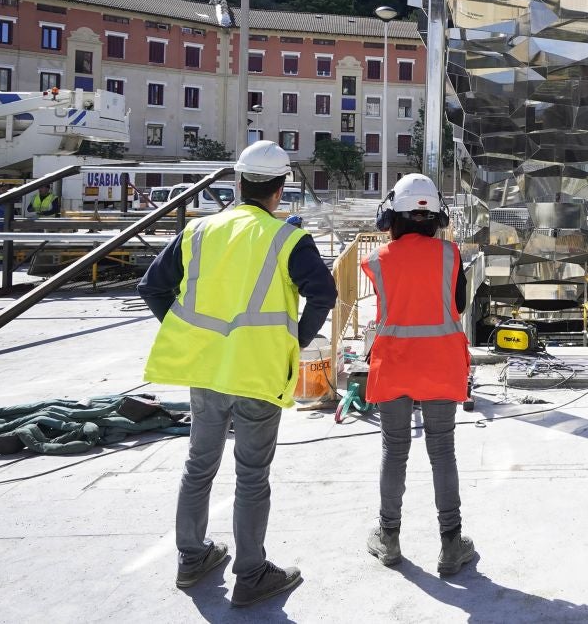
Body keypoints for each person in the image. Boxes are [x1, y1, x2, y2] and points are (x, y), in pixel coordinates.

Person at [138, 140, 338, 608]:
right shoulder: (287, 238)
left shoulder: (199, 231)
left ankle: (191, 559)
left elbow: (153, 287)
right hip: (259, 372)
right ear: (281, 187)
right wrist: (296, 341)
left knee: (199, 465)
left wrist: (188, 332)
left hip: (207, 370)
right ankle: (250, 573)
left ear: (238, 182)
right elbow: (323, 294)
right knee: (251, 476)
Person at [361, 173, 475, 577]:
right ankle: (450, 543)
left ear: (392, 215)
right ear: (436, 217)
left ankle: (389, 537)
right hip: (440, 365)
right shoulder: (450, 255)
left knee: (395, 452)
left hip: (394, 365)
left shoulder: (377, 259)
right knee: (442, 451)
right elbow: (457, 306)